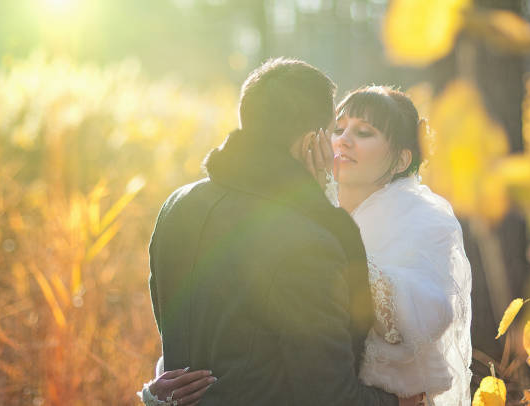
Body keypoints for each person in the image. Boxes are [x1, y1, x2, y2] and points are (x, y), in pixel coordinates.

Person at [140, 59, 411, 405]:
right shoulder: (306, 242)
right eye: (331, 131)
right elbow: (329, 397)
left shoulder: (176, 206)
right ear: (313, 140)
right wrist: (402, 402)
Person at [312, 85, 472, 405]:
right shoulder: (317, 204)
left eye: (364, 132)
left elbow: (416, 318)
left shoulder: (425, 220)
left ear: (401, 161)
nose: (343, 139)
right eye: (339, 129)